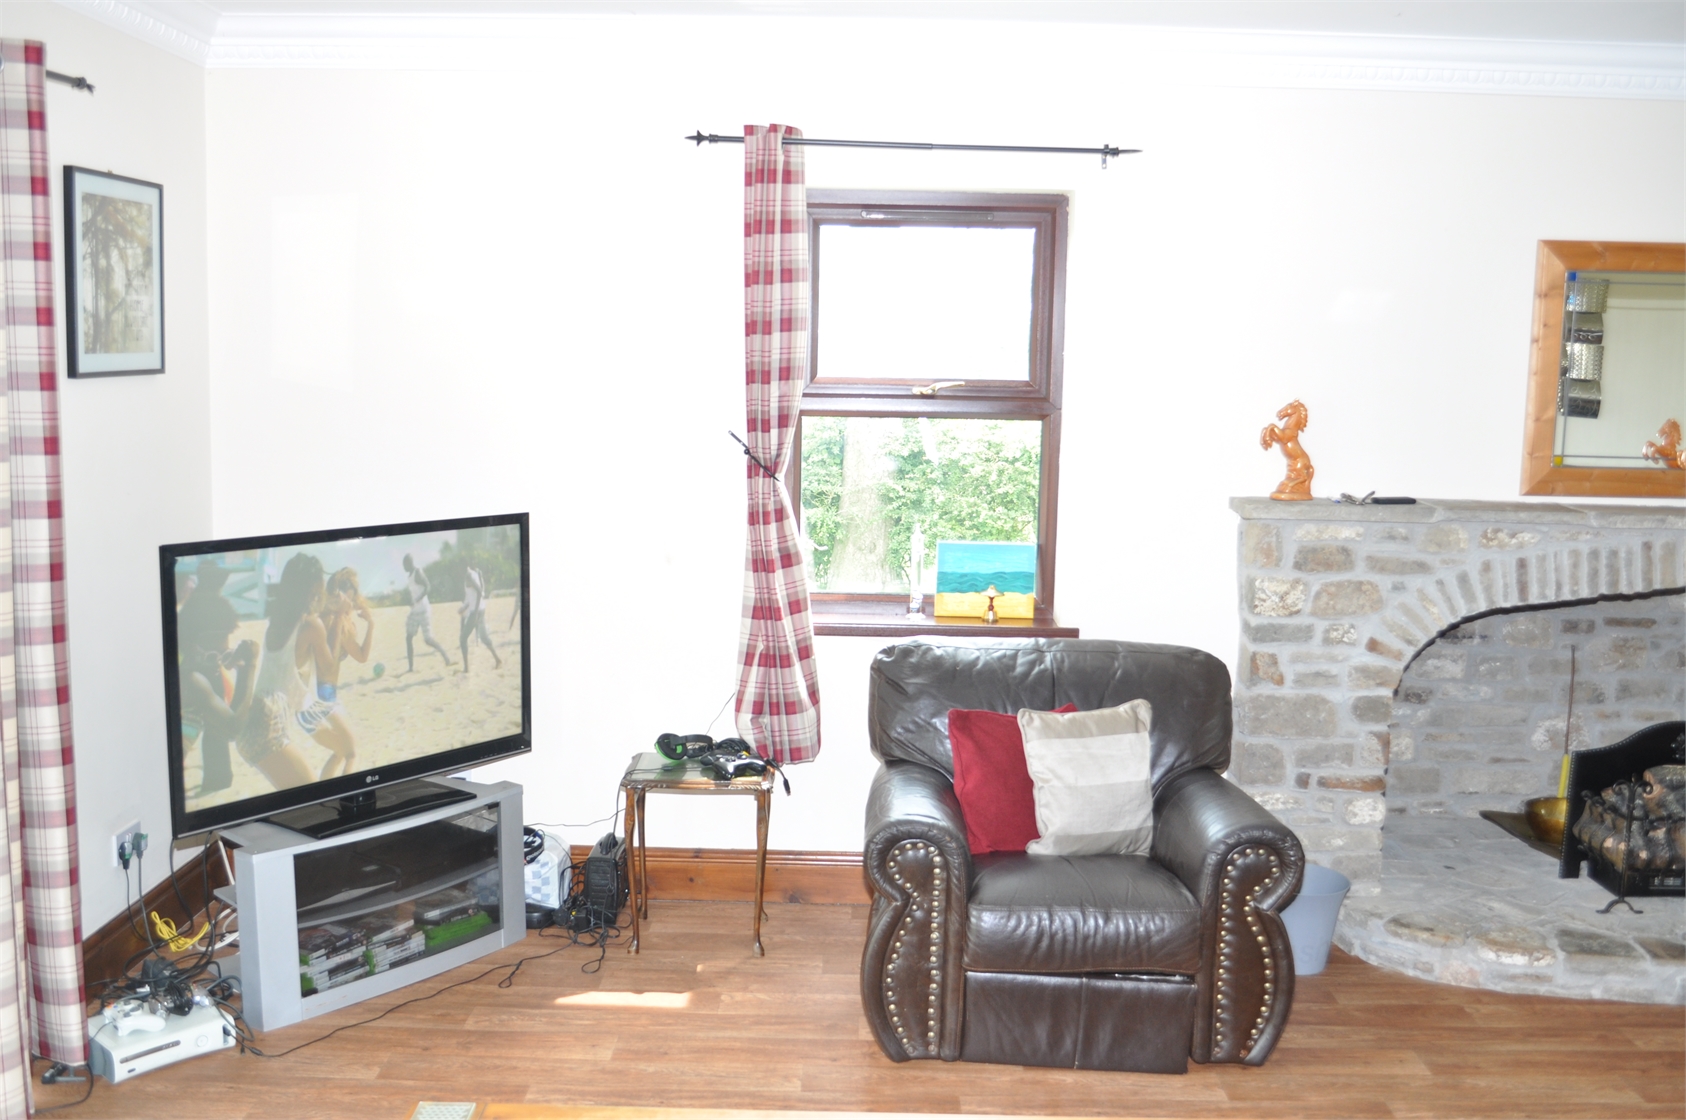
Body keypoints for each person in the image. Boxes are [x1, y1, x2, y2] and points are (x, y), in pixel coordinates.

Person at [236, 552, 322, 791]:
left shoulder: (276, 623)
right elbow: (330, 666)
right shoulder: (308, 625)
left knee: (296, 797)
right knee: (312, 795)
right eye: (316, 590)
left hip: (251, 721)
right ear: (310, 589)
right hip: (270, 722)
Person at [177, 593, 257, 800]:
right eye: (216, 655)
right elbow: (233, 728)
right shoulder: (192, 680)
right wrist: (249, 667)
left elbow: (227, 721)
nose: (226, 645)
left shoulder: (186, 668)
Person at [298, 567, 374, 780]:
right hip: (324, 697)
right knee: (352, 754)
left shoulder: (317, 618)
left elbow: (360, 655)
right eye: (350, 596)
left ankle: (322, 794)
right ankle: (349, 796)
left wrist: (369, 624)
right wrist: (370, 624)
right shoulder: (338, 623)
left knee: (340, 752)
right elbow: (361, 656)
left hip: (304, 702)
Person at [402, 554, 453, 673]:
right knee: (408, 637)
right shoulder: (409, 576)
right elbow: (414, 592)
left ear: (410, 563)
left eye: (404, 565)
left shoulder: (418, 573)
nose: (403, 567)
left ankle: (446, 657)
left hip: (423, 610)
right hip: (414, 611)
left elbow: (427, 587)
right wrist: (411, 601)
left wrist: (418, 599)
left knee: (428, 640)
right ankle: (410, 668)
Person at [458, 563, 502, 673]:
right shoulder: (474, 573)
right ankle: (497, 659)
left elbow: (478, 591)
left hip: (476, 611)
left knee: (463, 639)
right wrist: (464, 607)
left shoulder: (469, 575)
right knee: (484, 637)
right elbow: (473, 596)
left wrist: (475, 612)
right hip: (481, 609)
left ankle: (466, 668)